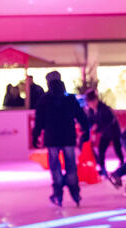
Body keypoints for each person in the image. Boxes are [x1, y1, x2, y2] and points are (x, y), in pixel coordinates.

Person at [31, 76, 90, 206]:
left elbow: (39, 120)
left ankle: (58, 193)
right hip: (68, 137)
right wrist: (86, 130)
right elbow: (81, 116)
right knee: (71, 166)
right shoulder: (69, 99)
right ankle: (75, 193)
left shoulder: (44, 100)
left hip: (52, 138)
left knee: (55, 167)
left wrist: (35, 136)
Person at [85, 90, 124, 177]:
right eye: (89, 103)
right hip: (105, 133)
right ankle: (102, 168)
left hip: (114, 132)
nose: (91, 105)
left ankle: (122, 164)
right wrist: (90, 127)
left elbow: (109, 121)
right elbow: (90, 120)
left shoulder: (104, 108)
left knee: (117, 149)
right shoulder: (91, 110)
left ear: (96, 100)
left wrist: (97, 128)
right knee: (101, 150)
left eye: (92, 102)